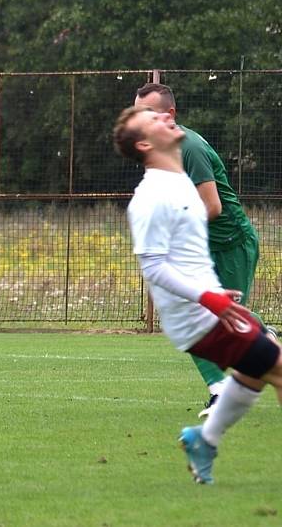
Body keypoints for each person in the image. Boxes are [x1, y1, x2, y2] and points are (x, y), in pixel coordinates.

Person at [113, 105, 282, 484]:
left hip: (209, 306)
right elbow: (153, 266)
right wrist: (209, 299)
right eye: (151, 120)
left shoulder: (179, 181)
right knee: (278, 367)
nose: (162, 117)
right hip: (198, 317)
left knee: (257, 371)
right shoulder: (151, 195)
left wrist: (214, 290)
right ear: (144, 143)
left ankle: (204, 439)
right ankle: (206, 439)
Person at [134, 83, 274, 418]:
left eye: (148, 114)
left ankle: (259, 350)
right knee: (189, 311)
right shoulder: (159, 150)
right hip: (207, 246)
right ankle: (225, 383)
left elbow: (211, 206)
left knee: (212, 318)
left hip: (230, 244)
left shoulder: (189, 147)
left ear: (169, 116)